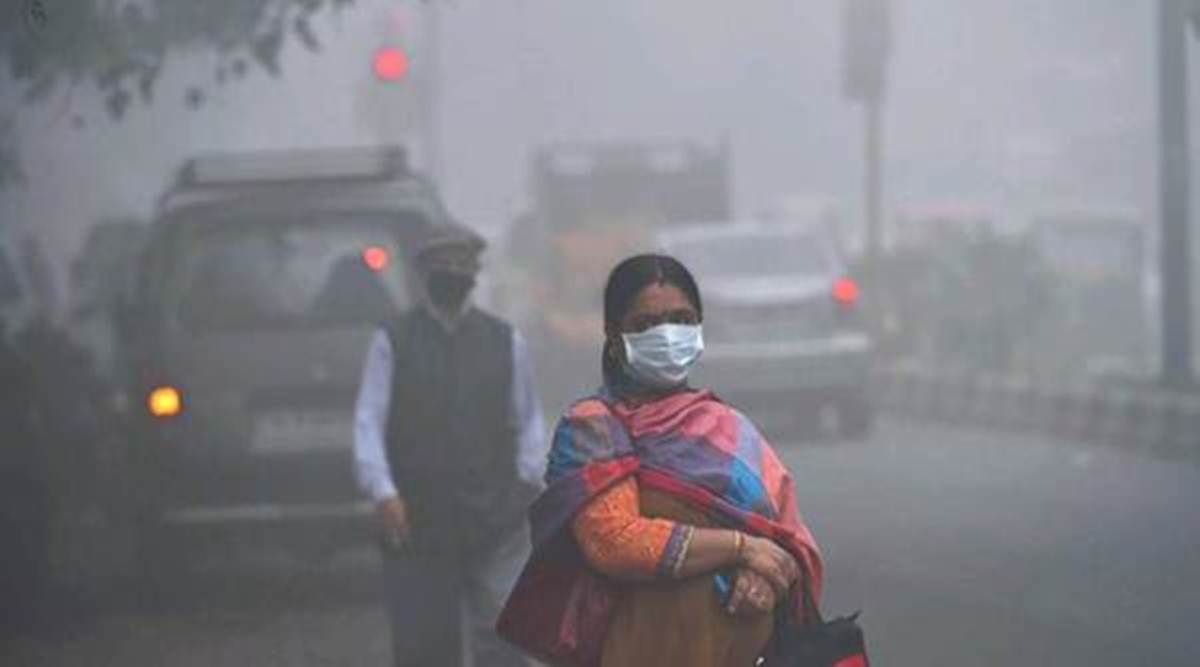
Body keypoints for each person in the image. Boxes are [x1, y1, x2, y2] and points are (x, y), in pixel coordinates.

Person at [499, 254, 824, 666]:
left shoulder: (732, 428)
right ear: (613, 335)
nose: (667, 335)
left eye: (682, 319)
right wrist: (742, 548)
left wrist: (764, 575)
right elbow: (614, 542)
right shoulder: (592, 426)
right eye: (645, 324)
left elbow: (788, 543)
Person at [353, 221, 545, 667]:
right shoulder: (393, 341)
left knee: (504, 635)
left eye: (462, 264)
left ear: (475, 273)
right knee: (424, 645)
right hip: (418, 519)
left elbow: (529, 419)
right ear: (424, 273)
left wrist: (524, 482)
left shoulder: (503, 340)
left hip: (495, 514)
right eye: (443, 264)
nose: (453, 273)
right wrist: (383, 492)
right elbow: (369, 420)